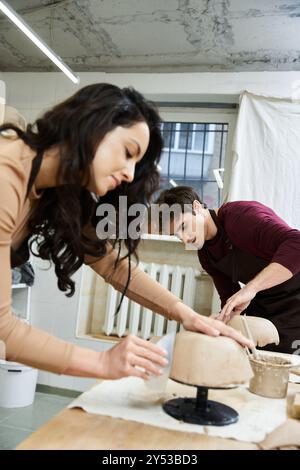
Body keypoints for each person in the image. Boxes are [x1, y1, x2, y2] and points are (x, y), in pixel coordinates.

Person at [0, 84, 251, 382]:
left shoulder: (56, 190)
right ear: (91, 124)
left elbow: (110, 263)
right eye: (128, 152)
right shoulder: (7, 173)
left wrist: (186, 314)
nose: (130, 174)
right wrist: (102, 363)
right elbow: (3, 328)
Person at [156, 185, 300, 354]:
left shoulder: (240, 217)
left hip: (296, 299)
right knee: (259, 359)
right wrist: (218, 323)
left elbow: (296, 243)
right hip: (265, 304)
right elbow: (230, 298)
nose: (185, 239)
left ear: (197, 207)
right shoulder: (206, 255)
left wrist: (251, 288)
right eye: (177, 235)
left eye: (184, 226)